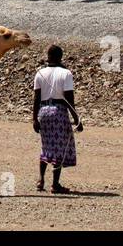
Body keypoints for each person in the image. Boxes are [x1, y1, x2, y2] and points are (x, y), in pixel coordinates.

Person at [32, 45, 82, 194]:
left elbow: (36, 98)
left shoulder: (40, 73)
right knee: (59, 148)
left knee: (46, 146)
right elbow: (69, 99)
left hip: (44, 111)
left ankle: (41, 180)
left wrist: (34, 118)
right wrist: (76, 119)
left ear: (48, 56)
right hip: (59, 112)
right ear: (61, 57)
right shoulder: (66, 73)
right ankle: (55, 184)